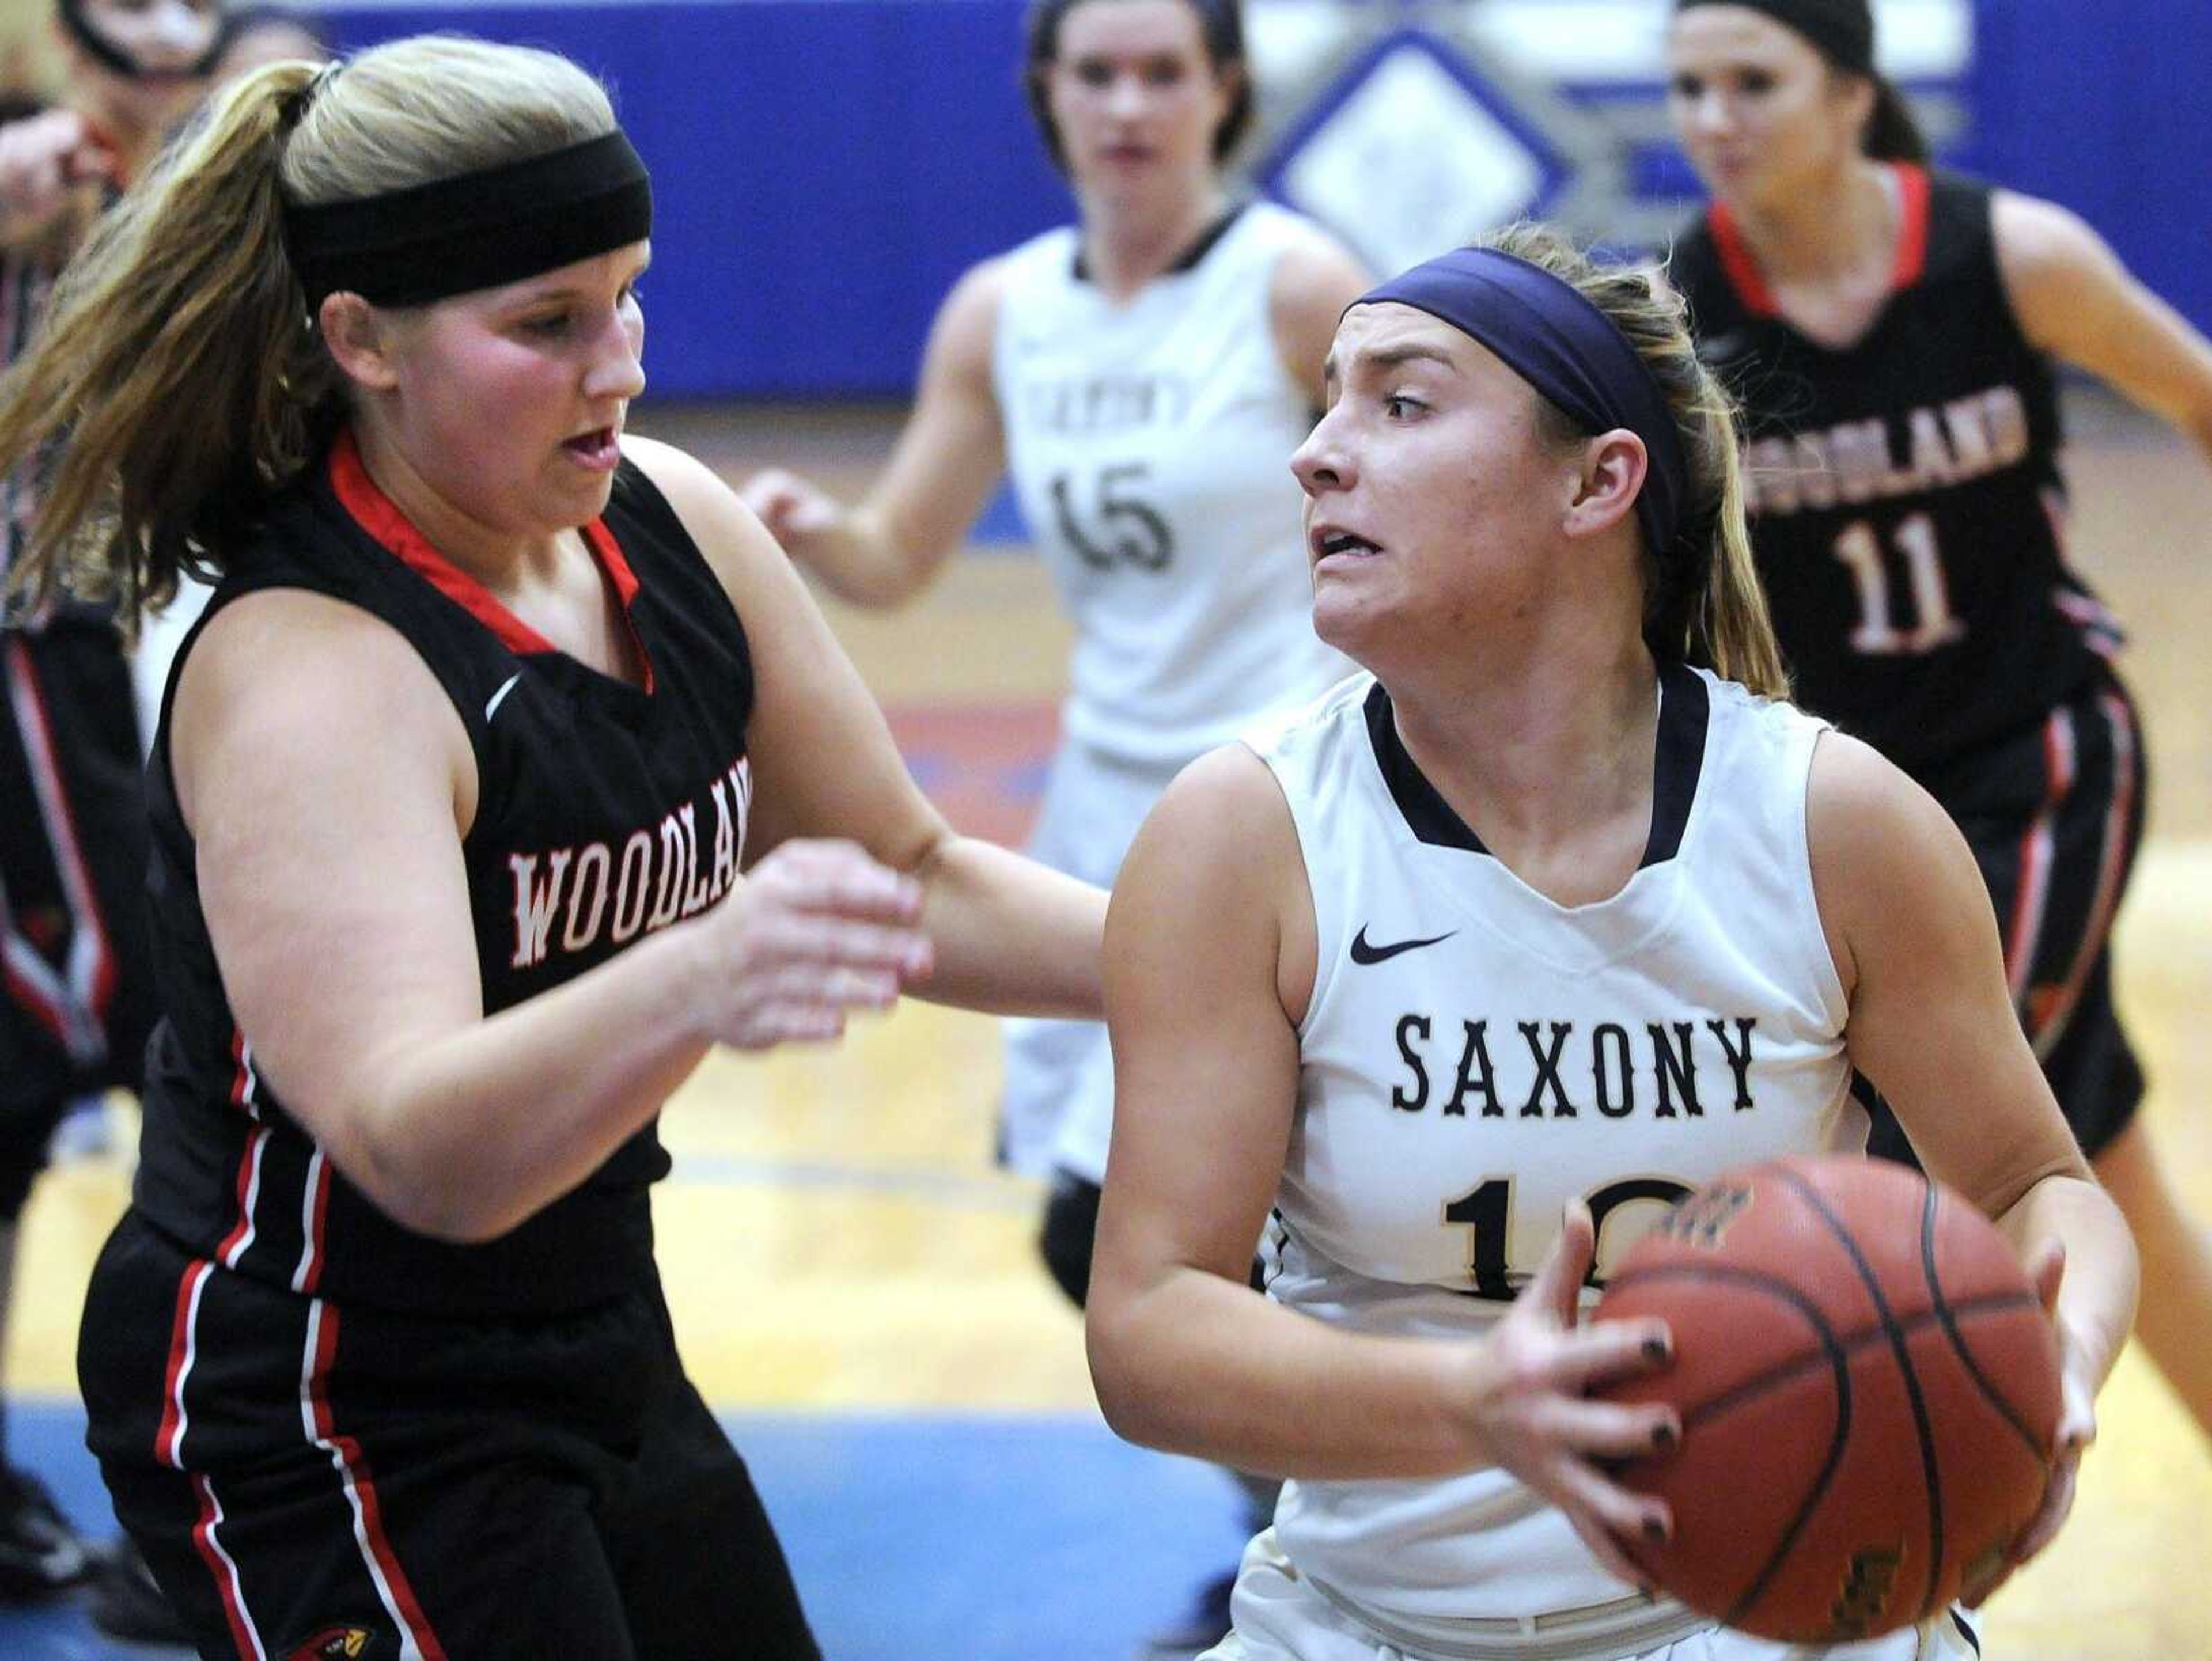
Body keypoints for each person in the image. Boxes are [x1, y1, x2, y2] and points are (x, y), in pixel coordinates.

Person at [0, 35, 1107, 1659]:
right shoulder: (313, 668)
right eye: (547, 325)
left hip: (588, 1325)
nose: (621, 365)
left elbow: (914, 877)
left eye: (628, 295)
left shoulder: (670, 518)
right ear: (359, 340)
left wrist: (1248, 962)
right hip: (321, 1395)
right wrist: (703, 969)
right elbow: (422, 1151)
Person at [1082, 224, 2141, 1660]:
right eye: (1326, 399)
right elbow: (1147, 1329)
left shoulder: (1830, 819)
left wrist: (2047, 1371)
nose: (1316, 453)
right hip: (1366, 1623)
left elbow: (2039, 1186)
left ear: (1600, 479)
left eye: (1400, 402)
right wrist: (1477, 1407)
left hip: (1774, 1626)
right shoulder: (1242, 833)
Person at [741, 0, 1367, 1647]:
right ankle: (1306, 1509)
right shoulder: (1003, 309)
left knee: (1281, 1204)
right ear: (1049, 98)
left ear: (1225, 90)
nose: (1131, 102)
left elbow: (1437, 481)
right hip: (1106, 813)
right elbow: (906, 554)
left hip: (1292, 800)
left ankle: (1350, 1541)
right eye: (1097, 70)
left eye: (1167, 69)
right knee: (1095, 1228)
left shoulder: (1300, 285)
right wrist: (812, 531)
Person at [1664, 0, 2212, 1440]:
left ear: (1851, 95)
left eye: (1753, 82)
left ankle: (1843, 1497)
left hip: (2032, 763)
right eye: (1689, 89)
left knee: (1907, 1139)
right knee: (2094, 1151)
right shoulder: (1675, 311)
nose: (1715, 118)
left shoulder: (2010, 256)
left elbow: (2197, 392)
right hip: (1833, 804)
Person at [0, 0, 224, 1610]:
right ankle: (207, 1480)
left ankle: (201, 1472)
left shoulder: (124, 160)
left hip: (65, 627)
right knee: (174, 1040)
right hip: (26, 638)